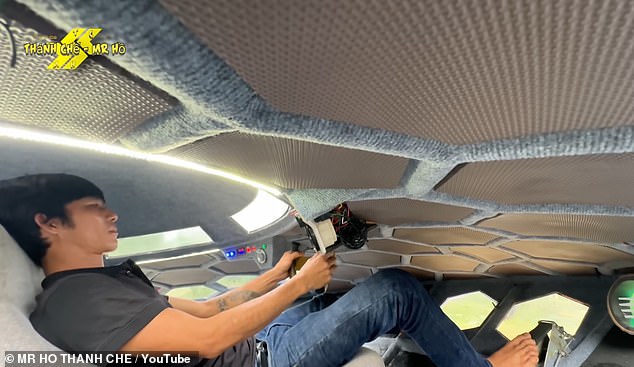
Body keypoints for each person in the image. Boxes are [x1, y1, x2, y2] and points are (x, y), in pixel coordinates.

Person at [0, 174, 539, 367]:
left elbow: (209, 308)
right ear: (48, 223)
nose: (112, 214)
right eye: (95, 208)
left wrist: (279, 277)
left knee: (324, 299)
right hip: (265, 362)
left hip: (259, 344)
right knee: (392, 290)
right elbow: (209, 341)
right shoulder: (74, 303)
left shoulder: (102, 281)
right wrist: (298, 284)